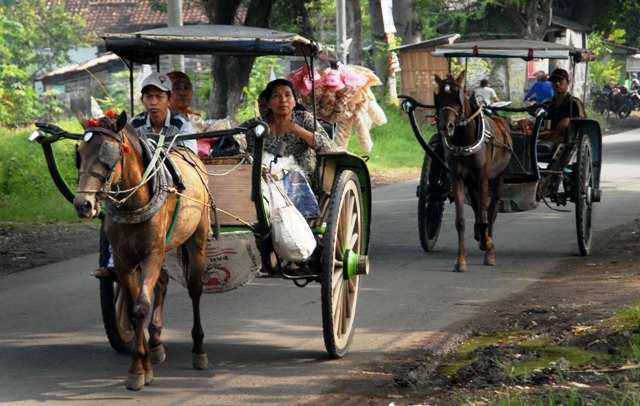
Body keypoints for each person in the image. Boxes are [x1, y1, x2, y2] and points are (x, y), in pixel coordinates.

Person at [94, 72, 196, 278]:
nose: (154, 102)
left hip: (173, 183)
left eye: (159, 97)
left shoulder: (182, 124)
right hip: (140, 184)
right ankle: (112, 260)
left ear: (169, 99)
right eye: (149, 97)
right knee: (111, 210)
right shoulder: (134, 124)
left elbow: (189, 157)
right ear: (143, 100)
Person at [244, 78, 338, 184]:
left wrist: (297, 130)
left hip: (299, 180)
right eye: (276, 96)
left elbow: (329, 148)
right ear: (269, 103)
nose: (283, 100)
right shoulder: (257, 124)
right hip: (263, 179)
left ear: (294, 101)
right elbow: (234, 140)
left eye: (288, 95)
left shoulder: (303, 119)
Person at [540, 68, 585, 148]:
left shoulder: (574, 103)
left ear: (567, 82)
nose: (557, 83)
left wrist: (569, 121)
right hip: (545, 137)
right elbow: (539, 122)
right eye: (554, 81)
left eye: (560, 80)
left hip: (565, 141)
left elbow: (583, 123)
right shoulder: (547, 104)